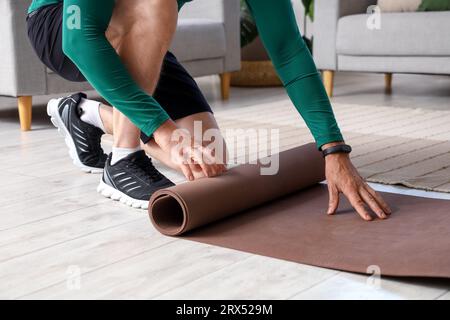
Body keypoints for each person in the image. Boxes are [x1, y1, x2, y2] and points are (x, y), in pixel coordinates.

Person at [26, 0, 391, 220]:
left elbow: (288, 50)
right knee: (159, 3)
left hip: (140, 33)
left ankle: (86, 116)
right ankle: (123, 158)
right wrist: (166, 132)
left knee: (208, 161)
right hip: (61, 26)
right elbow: (79, 38)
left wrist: (333, 147)